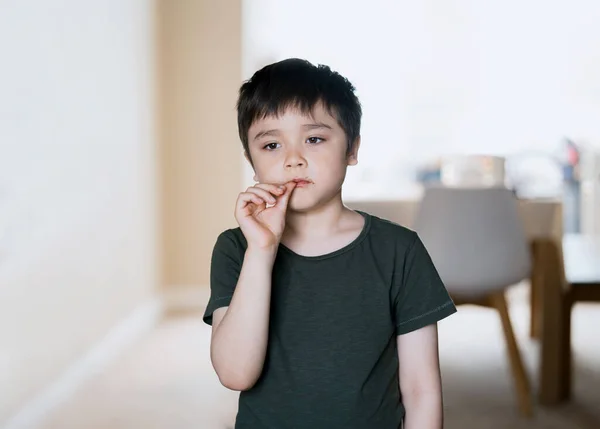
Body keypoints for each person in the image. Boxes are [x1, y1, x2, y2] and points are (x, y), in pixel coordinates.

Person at [203, 58, 457, 429]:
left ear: (352, 149)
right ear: (251, 162)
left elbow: (421, 390)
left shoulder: (399, 250)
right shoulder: (236, 249)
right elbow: (235, 374)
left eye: (314, 139)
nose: (293, 159)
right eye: (271, 145)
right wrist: (262, 251)